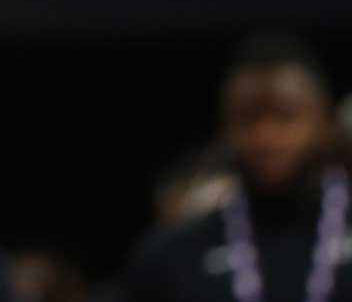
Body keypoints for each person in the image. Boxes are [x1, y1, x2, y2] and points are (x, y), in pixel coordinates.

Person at [121, 36, 352, 302]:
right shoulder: (171, 255)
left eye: (286, 116)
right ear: (225, 130)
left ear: (324, 124)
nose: (266, 136)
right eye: (249, 118)